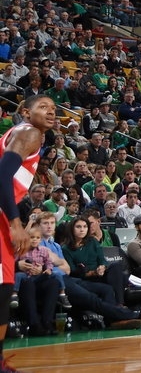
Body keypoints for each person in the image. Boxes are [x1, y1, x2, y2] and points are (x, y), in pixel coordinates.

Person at [0, 95, 56, 362]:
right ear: (25, 112)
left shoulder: (23, 134)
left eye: (54, 109)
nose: (51, 112)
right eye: (43, 107)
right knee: (2, 289)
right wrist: (15, 223)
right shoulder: (29, 132)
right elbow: (1, 175)